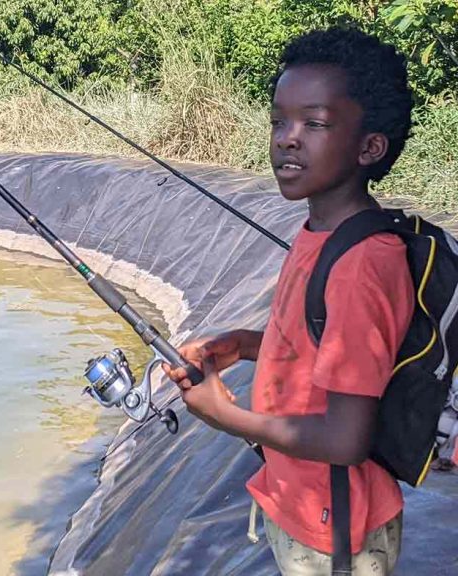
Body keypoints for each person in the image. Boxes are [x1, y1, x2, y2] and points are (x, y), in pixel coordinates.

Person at [163, 27, 415, 575]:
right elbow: (316, 339)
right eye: (279, 120)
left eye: (315, 123)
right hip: (301, 502)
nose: (287, 138)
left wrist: (227, 416)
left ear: (370, 146)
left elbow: (346, 440)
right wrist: (247, 345)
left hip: (335, 530)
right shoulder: (320, 231)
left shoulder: (362, 262)